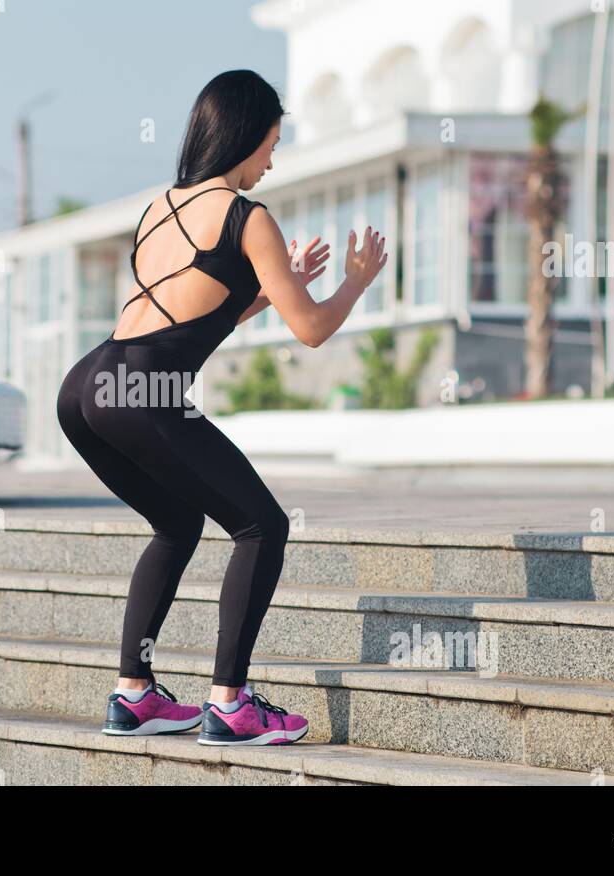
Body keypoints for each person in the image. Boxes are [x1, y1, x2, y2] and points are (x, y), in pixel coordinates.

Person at [55, 69, 389, 745]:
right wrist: (356, 281)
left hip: (88, 385)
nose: (272, 159)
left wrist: (271, 286)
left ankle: (135, 694)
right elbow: (313, 330)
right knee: (262, 525)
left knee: (178, 524)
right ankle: (231, 704)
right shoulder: (248, 217)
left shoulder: (159, 208)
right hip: (142, 390)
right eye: (271, 142)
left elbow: (189, 312)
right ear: (243, 137)